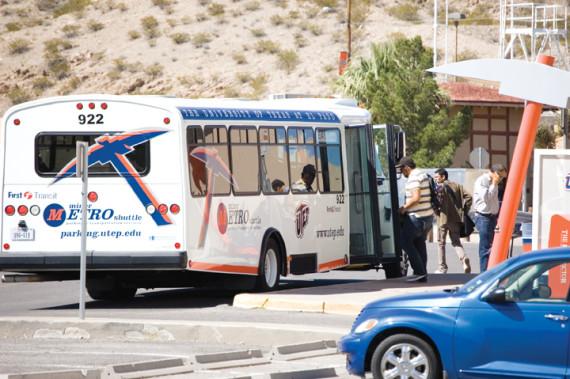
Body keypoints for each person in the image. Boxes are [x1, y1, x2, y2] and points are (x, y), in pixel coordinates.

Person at [396, 156, 434, 282]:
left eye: (402, 170)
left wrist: (403, 208)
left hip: (417, 218)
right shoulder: (422, 174)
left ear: (407, 168)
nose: (402, 172)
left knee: (405, 242)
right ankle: (422, 274)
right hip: (427, 217)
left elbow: (416, 197)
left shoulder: (413, 177)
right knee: (419, 244)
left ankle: (419, 271)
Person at [433, 168, 472, 274]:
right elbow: (469, 197)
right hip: (456, 219)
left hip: (443, 218)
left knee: (441, 243)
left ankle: (442, 268)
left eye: (437, 177)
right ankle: (464, 258)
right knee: (456, 242)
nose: (435, 179)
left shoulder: (439, 187)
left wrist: (436, 212)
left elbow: (435, 202)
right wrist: (464, 210)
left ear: (443, 177)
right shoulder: (457, 186)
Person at [473, 163, 507, 272]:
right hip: (483, 217)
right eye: (500, 176)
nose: (501, 179)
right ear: (494, 173)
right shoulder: (482, 181)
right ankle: (484, 273)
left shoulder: (495, 182)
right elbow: (487, 198)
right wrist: (494, 184)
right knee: (485, 248)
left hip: (492, 217)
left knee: (493, 246)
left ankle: (491, 271)